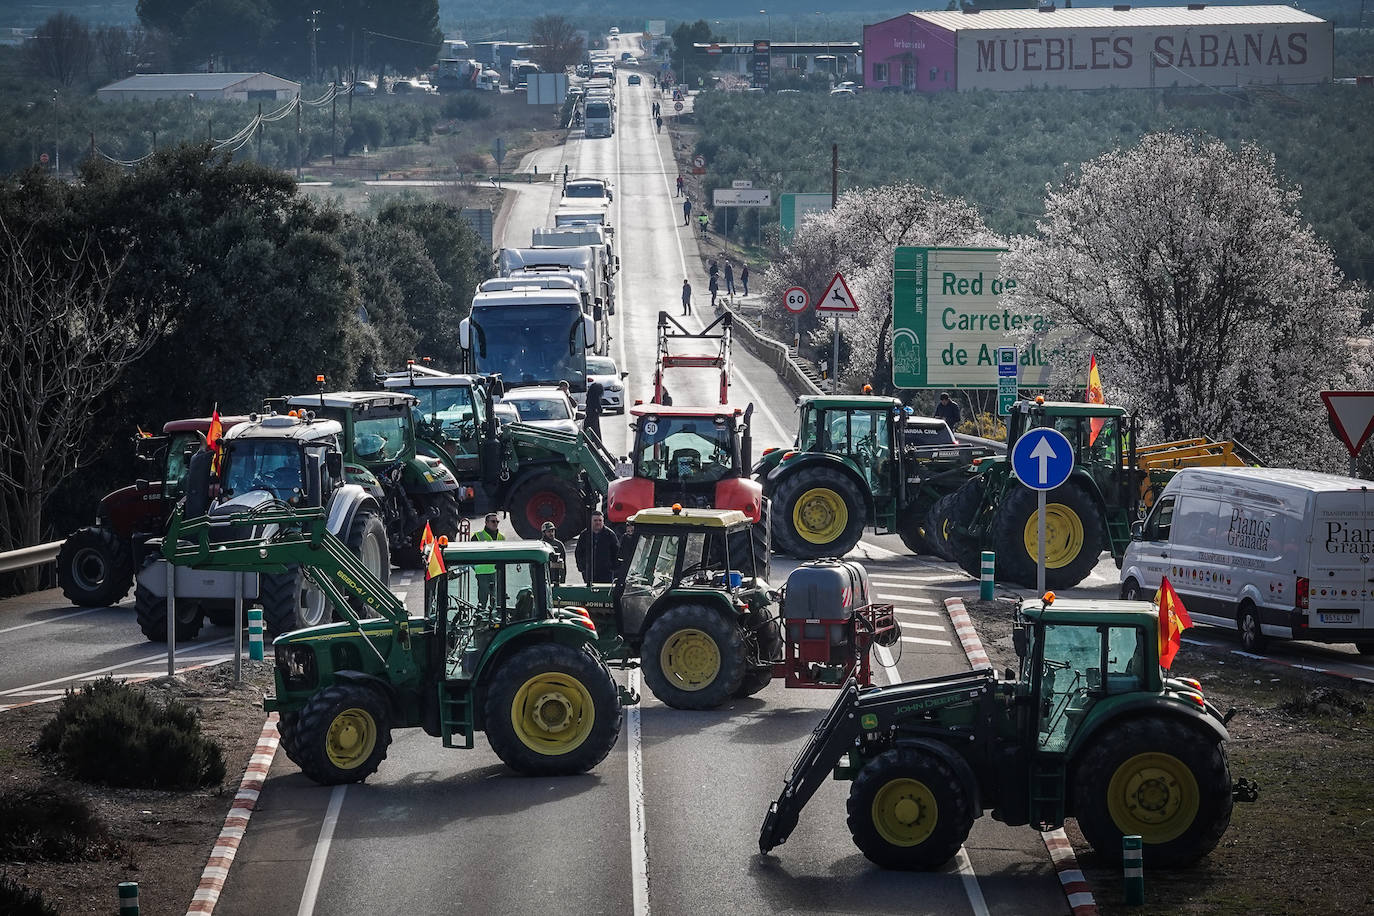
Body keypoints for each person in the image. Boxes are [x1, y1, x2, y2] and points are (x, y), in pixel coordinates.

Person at [575, 511, 621, 584]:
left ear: (603, 521)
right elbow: (578, 552)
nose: (598, 522)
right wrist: (581, 567)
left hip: (606, 573)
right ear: (591, 521)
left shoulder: (610, 535)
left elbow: (616, 552)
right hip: (589, 573)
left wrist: (614, 568)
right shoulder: (584, 535)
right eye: (595, 520)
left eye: (600, 520)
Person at [473, 512, 505, 610]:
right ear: (486, 523)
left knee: (497, 600)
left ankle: (496, 618)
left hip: (497, 572)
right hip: (482, 572)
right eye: (493, 521)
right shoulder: (477, 536)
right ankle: (481, 620)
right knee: (482, 600)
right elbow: (472, 555)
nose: (495, 523)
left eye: (497, 521)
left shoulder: (502, 537)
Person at [541, 521, 567, 585]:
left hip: (557, 578)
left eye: (552, 531)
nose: (551, 533)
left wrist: (562, 579)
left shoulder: (559, 545)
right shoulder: (541, 545)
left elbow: (563, 564)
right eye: (549, 531)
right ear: (544, 533)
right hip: (544, 578)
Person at [585, 375, 604, 440]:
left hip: (589, 418)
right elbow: (599, 409)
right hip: (594, 419)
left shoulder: (589, 398)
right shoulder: (596, 399)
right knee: (595, 431)